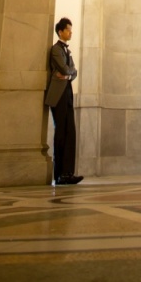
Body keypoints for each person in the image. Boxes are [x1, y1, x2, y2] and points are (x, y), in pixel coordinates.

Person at [45, 17, 83, 186]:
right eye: (68, 29)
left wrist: (67, 75)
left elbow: (73, 72)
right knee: (61, 133)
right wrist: (68, 73)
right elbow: (64, 68)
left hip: (67, 92)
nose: (71, 32)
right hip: (58, 95)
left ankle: (68, 173)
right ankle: (59, 174)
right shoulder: (55, 49)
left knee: (70, 132)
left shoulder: (67, 50)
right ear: (60, 32)